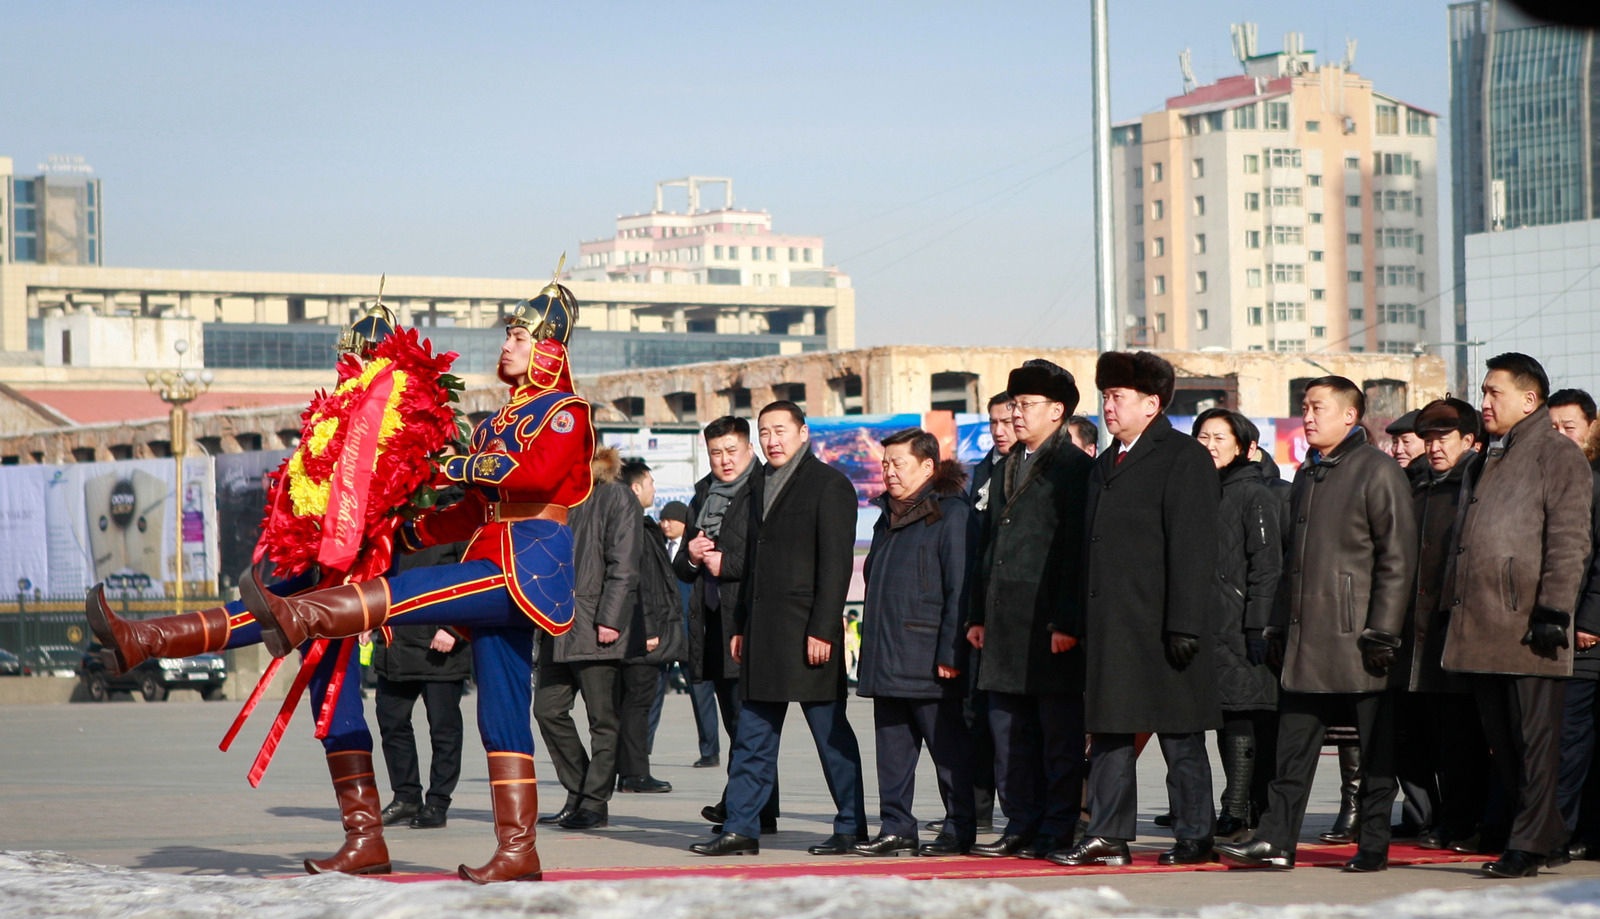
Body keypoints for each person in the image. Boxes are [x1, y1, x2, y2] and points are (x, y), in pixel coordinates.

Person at [234, 277, 595, 883]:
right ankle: (518, 851)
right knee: (503, 714)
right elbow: (467, 510)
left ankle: (303, 615)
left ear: (549, 345)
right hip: (493, 555)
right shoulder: (499, 418)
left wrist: (446, 461)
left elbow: (529, 475)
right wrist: (403, 532)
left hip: (526, 565)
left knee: (406, 598)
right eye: (509, 333)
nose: (507, 344)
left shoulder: (565, 413)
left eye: (518, 335)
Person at [86, 300, 461, 877]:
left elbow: (399, 483)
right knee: (325, 698)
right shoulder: (342, 410)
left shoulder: (403, 400)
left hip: (357, 567)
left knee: (324, 685)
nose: (347, 364)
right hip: (321, 556)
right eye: (345, 356)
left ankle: (146, 639)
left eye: (356, 354)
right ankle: (144, 639)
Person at [1217, 375, 1417, 873]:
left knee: (1374, 752)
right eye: (1304, 407)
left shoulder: (1377, 471)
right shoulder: (1308, 473)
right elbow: (1293, 564)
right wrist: (1278, 627)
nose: (1307, 416)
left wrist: (1384, 631)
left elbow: (1398, 558)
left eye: (1317, 407)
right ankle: (1277, 841)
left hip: (1363, 641)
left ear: (1350, 415)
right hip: (1307, 639)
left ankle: (1372, 844)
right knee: (1292, 751)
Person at [1054, 352, 1220, 869]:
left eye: (1118, 397)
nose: (1109, 406)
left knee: (1179, 734)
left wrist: (1185, 622)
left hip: (1164, 624)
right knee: (1108, 733)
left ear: (1151, 404)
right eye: (1105, 396)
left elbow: (1193, 547)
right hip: (1114, 626)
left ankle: (1195, 833)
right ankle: (1108, 834)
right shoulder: (1106, 462)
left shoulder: (1182, 457)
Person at [690, 401, 865, 857]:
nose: (772, 440)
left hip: (809, 633)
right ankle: (742, 827)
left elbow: (835, 566)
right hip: (764, 633)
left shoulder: (830, 485)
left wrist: (824, 630)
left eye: (781, 430)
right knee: (751, 737)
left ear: (803, 432)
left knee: (830, 736)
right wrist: (743, 624)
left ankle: (851, 824)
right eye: (765, 432)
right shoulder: (756, 487)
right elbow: (753, 565)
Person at [1442, 353, 1592, 878]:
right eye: (1483, 392)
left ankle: (1526, 847)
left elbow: (1570, 539)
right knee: (1504, 748)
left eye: (1494, 392)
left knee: (1534, 746)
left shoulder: (1557, 453)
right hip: (1483, 627)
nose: (1484, 402)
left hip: (1531, 628)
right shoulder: (1491, 457)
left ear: (1530, 399)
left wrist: (1555, 609)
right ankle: (1545, 836)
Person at [966, 359, 1093, 860]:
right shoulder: (1006, 466)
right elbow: (988, 546)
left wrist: (1067, 621)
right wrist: (977, 614)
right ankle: (1019, 824)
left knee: (1057, 739)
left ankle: (1057, 827)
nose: (1016, 415)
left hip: (1048, 626)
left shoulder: (1075, 468)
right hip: (1003, 624)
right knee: (1008, 735)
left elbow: (1074, 552)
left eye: (1027, 406)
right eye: (1014, 405)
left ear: (1057, 411)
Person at [852, 428, 979, 857]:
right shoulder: (886, 516)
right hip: (887, 656)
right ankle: (896, 826)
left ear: (927, 466)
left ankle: (959, 827)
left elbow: (959, 589)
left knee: (949, 754)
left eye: (898, 464)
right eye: (885, 464)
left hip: (930, 661)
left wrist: (950, 652)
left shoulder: (950, 514)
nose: (889, 472)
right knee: (892, 754)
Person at [674, 416, 781, 834]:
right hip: (711, 624)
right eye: (716, 453)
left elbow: (772, 558)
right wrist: (694, 555)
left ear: (748, 448)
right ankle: (757, 808)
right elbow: (682, 567)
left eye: (731, 451)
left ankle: (743, 807)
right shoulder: (703, 494)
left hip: (747, 623)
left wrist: (729, 564)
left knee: (748, 724)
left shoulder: (763, 488)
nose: (724, 461)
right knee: (736, 725)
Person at [1391, 398, 1489, 851]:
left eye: (1442, 438)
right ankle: (1426, 817)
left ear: (1470, 440)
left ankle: (1459, 819)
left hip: (1456, 631)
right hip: (1411, 632)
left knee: (1458, 740)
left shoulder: (1479, 483)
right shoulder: (1415, 486)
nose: (1433, 447)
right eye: (1427, 438)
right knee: (1416, 735)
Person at [534, 445, 637, 830]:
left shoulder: (614, 494)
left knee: (602, 719)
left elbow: (624, 563)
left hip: (595, 621)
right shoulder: (556, 496)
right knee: (547, 709)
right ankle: (578, 791)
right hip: (554, 622)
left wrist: (609, 618)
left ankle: (594, 802)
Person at [1192, 408, 1281, 841]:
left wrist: (1257, 624)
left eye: (1219, 438)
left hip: (1243, 626)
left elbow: (1267, 567)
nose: (1209, 445)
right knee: (1226, 715)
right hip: (1209, 625)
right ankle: (1238, 804)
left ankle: (1238, 805)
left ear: (1244, 447)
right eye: (1203, 437)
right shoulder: (1200, 491)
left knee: (1245, 715)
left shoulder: (1254, 494)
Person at [1549, 389, 1600, 859]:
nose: (1562, 436)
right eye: (1555, 428)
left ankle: (1560, 834)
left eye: (1571, 427)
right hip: (1565, 631)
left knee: (1570, 739)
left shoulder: (1593, 480)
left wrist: (1587, 619)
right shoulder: (1562, 479)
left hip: (1585, 636)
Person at [615, 459, 681, 795]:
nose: (654, 489)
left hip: (638, 630)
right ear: (636, 488)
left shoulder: (633, 525)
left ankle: (625, 769)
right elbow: (641, 586)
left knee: (630, 703)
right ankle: (635, 773)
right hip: (641, 633)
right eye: (650, 483)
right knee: (638, 704)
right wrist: (650, 629)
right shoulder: (633, 528)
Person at [651, 499, 721, 769]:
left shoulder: (696, 551)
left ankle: (709, 751)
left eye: (671, 519)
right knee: (653, 692)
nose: (665, 524)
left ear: (684, 523)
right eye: (663, 519)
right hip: (664, 633)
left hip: (692, 634)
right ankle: (642, 752)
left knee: (701, 694)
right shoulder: (656, 546)